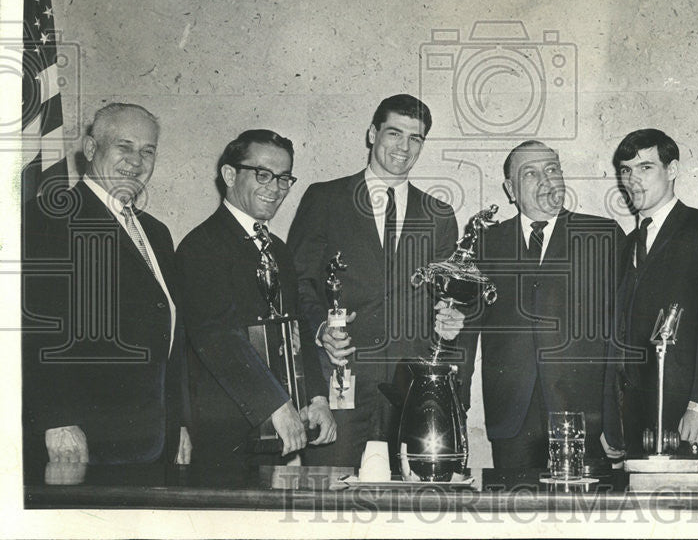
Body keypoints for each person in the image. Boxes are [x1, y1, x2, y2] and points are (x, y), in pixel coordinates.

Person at [287, 94, 461, 468]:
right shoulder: (325, 198)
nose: (404, 147)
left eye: (415, 138)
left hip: (410, 393)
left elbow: (447, 298)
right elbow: (297, 283)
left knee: (409, 511)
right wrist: (320, 329)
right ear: (372, 133)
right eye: (394, 133)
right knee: (330, 506)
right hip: (340, 387)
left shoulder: (439, 215)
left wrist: (452, 317)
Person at [21, 103, 190, 470]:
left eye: (148, 151)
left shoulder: (157, 233)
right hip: (80, 444)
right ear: (92, 149)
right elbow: (34, 328)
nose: (137, 160)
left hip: (150, 443)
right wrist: (56, 419)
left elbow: (169, 335)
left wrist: (178, 424)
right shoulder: (48, 218)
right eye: (123, 146)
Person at [451, 141, 624, 468]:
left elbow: (620, 336)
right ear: (510, 189)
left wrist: (614, 421)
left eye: (552, 169)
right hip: (511, 422)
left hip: (585, 421)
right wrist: (455, 406)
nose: (545, 179)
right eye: (530, 173)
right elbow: (464, 330)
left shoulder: (602, 236)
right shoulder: (486, 244)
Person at [176, 129, 335, 472]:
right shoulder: (200, 247)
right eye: (262, 174)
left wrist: (318, 399)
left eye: (283, 178)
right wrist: (275, 406)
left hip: (281, 429)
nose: (275, 188)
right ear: (230, 174)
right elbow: (218, 339)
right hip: (227, 430)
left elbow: (300, 331)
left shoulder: (278, 249)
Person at [604, 129, 698, 454]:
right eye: (626, 170)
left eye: (646, 167)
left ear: (672, 170)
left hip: (684, 413)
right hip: (633, 415)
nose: (633, 179)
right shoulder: (627, 244)